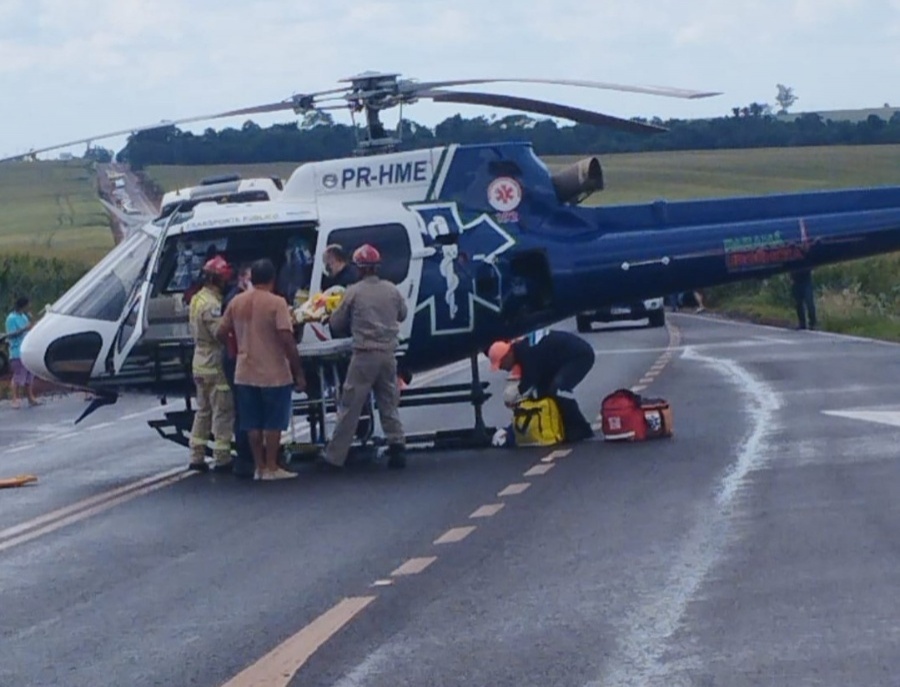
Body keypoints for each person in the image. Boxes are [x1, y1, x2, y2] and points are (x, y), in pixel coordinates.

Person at [319, 243, 408, 471]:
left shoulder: (353, 292)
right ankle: (397, 447)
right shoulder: (391, 289)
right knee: (388, 402)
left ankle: (335, 456)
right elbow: (403, 314)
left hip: (364, 356)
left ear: (359, 268)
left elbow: (337, 322)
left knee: (350, 405)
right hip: (388, 354)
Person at [217, 258, 306, 481]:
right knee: (273, 422)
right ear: (273, 279)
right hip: (273, 371)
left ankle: (259, 467)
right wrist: (299, 371)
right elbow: (287, 338)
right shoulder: (277, 303)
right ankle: (272, 465)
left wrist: (236, 344)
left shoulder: (237, 302)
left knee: (251, 421)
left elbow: (220, 331)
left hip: (244, 370)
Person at [488, 330, 596, 443]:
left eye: (501, 364)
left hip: (579, 356)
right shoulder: (522, 349)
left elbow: (529, 380)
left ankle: (581, 429)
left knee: (558, 390)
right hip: (558, 360)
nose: (502, 368)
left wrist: (515, 399)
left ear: (508, 355)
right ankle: (559, 425)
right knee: (544, 394)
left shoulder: (526, 353)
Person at [187, 256, 235, 472]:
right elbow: (219, 333)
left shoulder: (198, 298)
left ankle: (196, 455)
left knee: (203, 410)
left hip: (199, 360)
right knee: (222, 410)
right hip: (214, 361)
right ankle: (222, 457)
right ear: (218, 280)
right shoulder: (212, 304)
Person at [221, 263, 254, 479]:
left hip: (237, 357)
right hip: (237, 359)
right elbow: (222, 330)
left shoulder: (235, 297)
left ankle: (249, 456)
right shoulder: (236, 299)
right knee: (244, 409)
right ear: (242, 278)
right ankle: (245, 458)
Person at [5, 296, 41, 409]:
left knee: (29, 375)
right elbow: (10, 334)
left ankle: (30, 397)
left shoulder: (24, 316)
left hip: (27, 348)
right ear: (23, 305)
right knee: (18, 375)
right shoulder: (11, 318)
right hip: (17, 350)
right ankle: (14, 398)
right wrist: (25, 329)